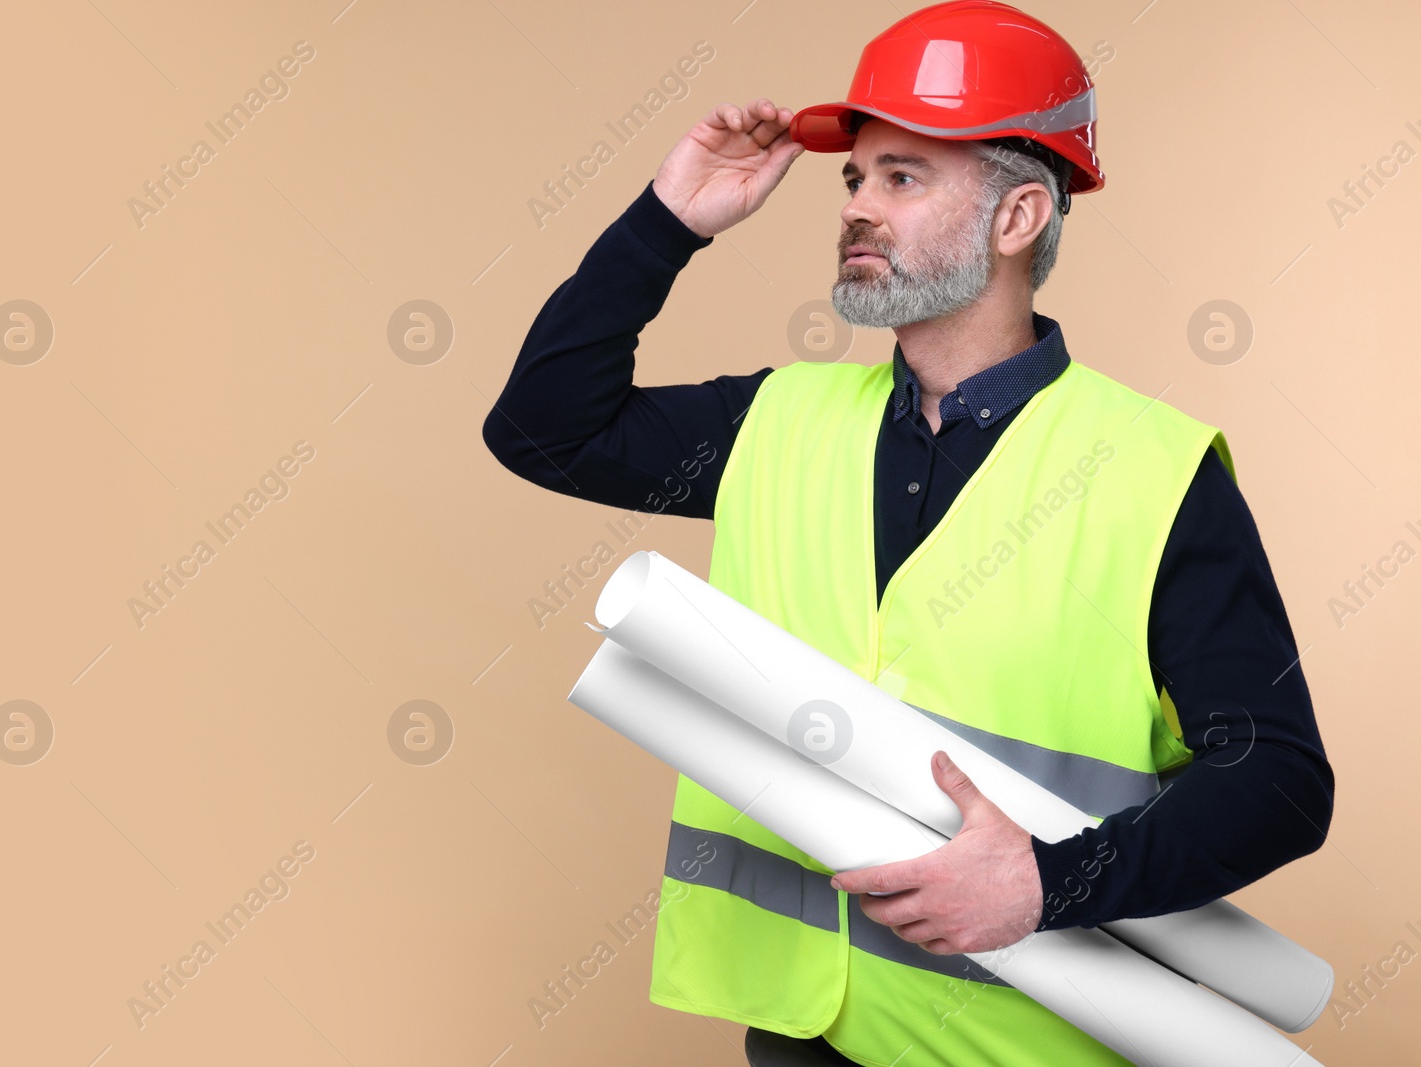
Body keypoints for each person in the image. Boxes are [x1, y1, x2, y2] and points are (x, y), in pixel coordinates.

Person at [482, 3, 1334, 1064]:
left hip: (1026, 1044)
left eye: (903, 177)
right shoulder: (778, 421)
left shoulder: (1152, 473)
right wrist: (669, 220)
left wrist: (1042, 879)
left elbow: (1279, 779)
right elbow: (540, 428)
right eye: (854, 179)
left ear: (1018, 217)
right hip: (805, 1031)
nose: (857, 209)